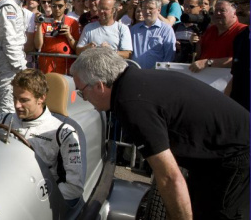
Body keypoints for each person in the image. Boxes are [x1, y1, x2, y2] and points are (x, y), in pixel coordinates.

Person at [70, 47, 249, 220]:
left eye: (82, 92)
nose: (83, 98)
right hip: (214, 153)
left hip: (235, 155)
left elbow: (169, 177)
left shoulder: (131, 104)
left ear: (100, 86)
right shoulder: (135, 81)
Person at [9, 69, 84, 206]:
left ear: (41, 98)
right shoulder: (4, 119)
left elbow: (74, 188)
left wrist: (36, 199)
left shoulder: (63, 133)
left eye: (24, 100)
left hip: (33, 202)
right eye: (14, 97)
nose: (17, 105)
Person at [0, 0, 35, 121]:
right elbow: (9, 41)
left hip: (14, 60)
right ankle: (3, 135)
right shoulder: (8, 6)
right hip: (8, 61)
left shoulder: (16, 6)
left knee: (17, 103)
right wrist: (21, 67)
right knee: (8, 104)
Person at [189, 0, 248, 72]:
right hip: (204, 78)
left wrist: (208, 62)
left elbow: (242, 59)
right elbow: (199, 56)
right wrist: (196, 44)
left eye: (222, 10)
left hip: (226, 79)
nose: (218, 13)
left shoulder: (243, 31)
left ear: (234, 13)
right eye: (216, 10)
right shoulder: (210, 30)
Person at [34, 0, 81, 74]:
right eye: (54, 6)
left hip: (66, 66)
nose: (57, 9)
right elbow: (38, 46)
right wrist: (38, 26)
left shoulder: (72, 22)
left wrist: (68, 35)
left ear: (66, 5)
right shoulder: (44, 21)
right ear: (50, 6)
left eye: (60, 6)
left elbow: (77, 48)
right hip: (46, 65)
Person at [129, 0, 176, 69]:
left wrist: (162, 70)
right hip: (136, 72)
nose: (147, 11)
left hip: (156, 74)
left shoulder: (166, 29)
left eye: (150, 8)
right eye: (144, 8)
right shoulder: (134, 29)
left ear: (159, 10)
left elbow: (169, 55)